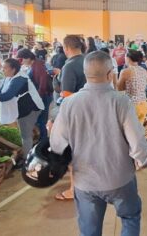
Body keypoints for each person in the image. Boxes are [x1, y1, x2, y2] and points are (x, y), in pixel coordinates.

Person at [50, 51, 147, 236]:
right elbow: (136, 139)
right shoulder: (120, 101)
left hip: (85, 180)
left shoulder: (69, 104)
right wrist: (142, 160)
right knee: (130, 218)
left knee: (90, 230)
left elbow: (57, 144)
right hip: (119, 177)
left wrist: (66, 165)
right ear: (109, 74)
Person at [51, 35, 87, 201]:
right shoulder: (89, 61)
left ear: (66, 48)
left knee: (72, 153)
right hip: (91, 112)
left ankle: (73, 189)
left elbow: (67, 95)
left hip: (75, 115)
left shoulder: (70, 66)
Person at [0, 59, 42, 161]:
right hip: (21, 107)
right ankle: (29, 154)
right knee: (25, 133)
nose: (2, 70)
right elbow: (2, 91)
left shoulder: (20, 78)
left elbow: (8, 95)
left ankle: (27, 160)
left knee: (25, 135)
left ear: (13, 69)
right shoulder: (9, 77)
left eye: (5, 68)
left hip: (29, 108)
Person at [17, 49, 54, 142]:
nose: (22, 62)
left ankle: (43, 141)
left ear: (28, 58)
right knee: (40, 119)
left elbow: (43, 82)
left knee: (42, 120)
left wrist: (38, 98)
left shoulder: (38, 65)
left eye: (23, 59)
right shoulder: (35, 64)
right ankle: (42, 139)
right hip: (42, 95)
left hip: (44, 96)